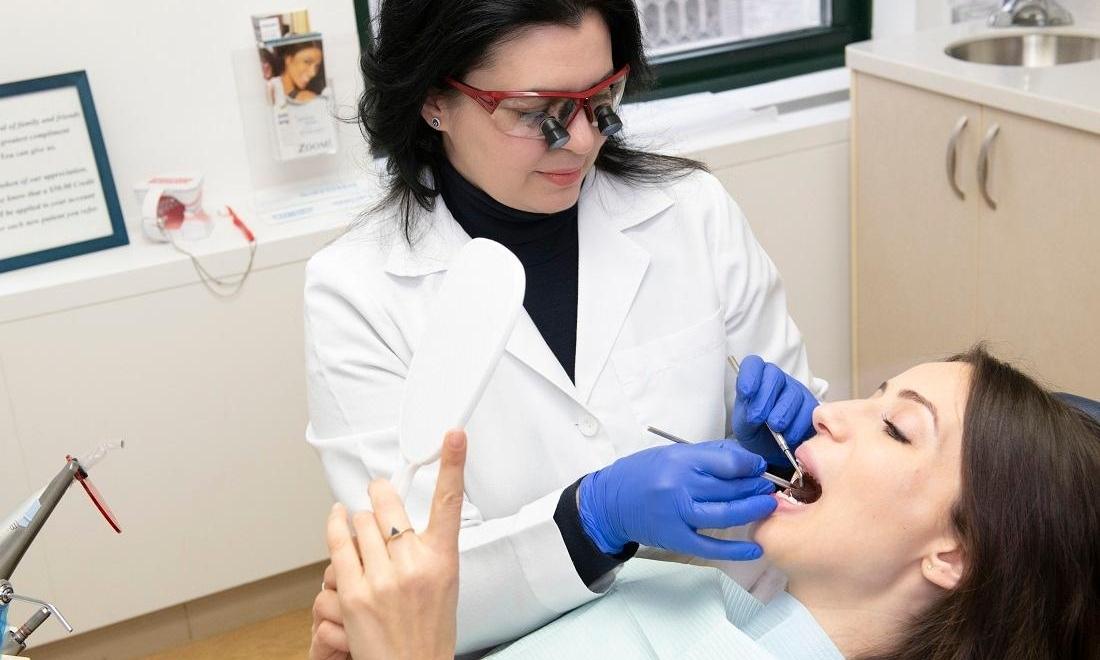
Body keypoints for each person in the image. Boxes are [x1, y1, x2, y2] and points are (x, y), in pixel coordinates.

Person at [304, 0, 824, 653]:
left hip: (739, 628)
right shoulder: (355, 291)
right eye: (536, 113)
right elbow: (407, 598)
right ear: (435, 100)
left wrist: (783, 458)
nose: (581, 140)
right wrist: (589, 521)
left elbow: (819, 481)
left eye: (600, 98)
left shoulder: (691, 212)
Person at [312, 347, 1100, 659]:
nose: (828, 412)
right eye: (874, 394)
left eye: (895, 427)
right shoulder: (700, 596)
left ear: (953, 553)